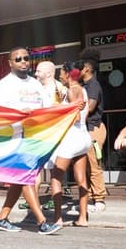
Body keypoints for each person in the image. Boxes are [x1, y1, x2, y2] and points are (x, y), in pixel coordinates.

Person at [0, 47, 61, 235]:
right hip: (13, 139)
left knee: (19, 180)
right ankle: (42, 222)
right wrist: (20, 115)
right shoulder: (3, 85)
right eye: (18, 58)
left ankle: (2, 218)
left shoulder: (36, 84)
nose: (23, 61)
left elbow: (47, 108)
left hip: (33, 139)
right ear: (10, 63)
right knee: (25, 177)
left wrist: (69, 107)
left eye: (26, 58)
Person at [49, 67, 91, 227]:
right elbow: (83, 115)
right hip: (83, 136)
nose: (60, 78)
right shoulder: (82, 90)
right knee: (81, 178)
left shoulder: (73, 90)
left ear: (68, 74)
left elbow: (75, 116)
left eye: (61, 75)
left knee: (55, 177)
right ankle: (82, 218)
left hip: (71, 138)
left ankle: (58, 218)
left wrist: (56, 109)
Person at [79, 57, 108, 212]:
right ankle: (90, 197)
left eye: (80, 67)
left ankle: (99, 199)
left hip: (94, 128)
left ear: (87, 69)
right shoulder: (84, 85)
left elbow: (90, 107)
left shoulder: (93, 85)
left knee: (93, 164)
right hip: (86, 128)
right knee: (86, 166)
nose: (77, 70)